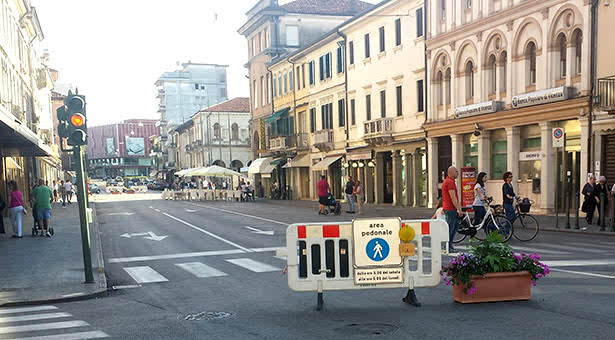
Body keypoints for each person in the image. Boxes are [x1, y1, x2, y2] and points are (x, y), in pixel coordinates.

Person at [442, 166, 462, 253]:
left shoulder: (450, 181)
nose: (458, 173)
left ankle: (449, 245)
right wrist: (458, 209)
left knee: (455, 226)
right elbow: (453, 197)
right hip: (450, 208)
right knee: (450, 228)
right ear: (451, 172)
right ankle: (447, 246)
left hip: (450, 208)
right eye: (456, 171)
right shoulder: (449, 182)